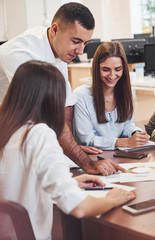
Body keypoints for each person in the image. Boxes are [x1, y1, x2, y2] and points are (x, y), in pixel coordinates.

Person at [0, 60, 136, 240]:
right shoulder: (40, 134)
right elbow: (78, 207)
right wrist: (112, 199)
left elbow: (16, 180)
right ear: (53, 99)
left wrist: (70, 182)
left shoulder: (9, 130)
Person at [0, 2, 121, 175]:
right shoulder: (20, 54)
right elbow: (47, 113)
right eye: (76, 41)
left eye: (85, 43)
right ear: (55, 30)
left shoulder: (60, 50)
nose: (80, 51)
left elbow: (65, 105)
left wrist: (70, 147)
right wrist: (87, 164)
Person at [73, 41, 149, 150]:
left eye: (118, 69)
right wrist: (123, 142)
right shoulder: (81, 96)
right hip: (94, 158)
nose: (112, 76)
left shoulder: (126, 92)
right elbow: (87, 139)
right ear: (96, 68)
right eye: (105, 69)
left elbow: (126, 126)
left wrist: (136, 134)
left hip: (119, 155)